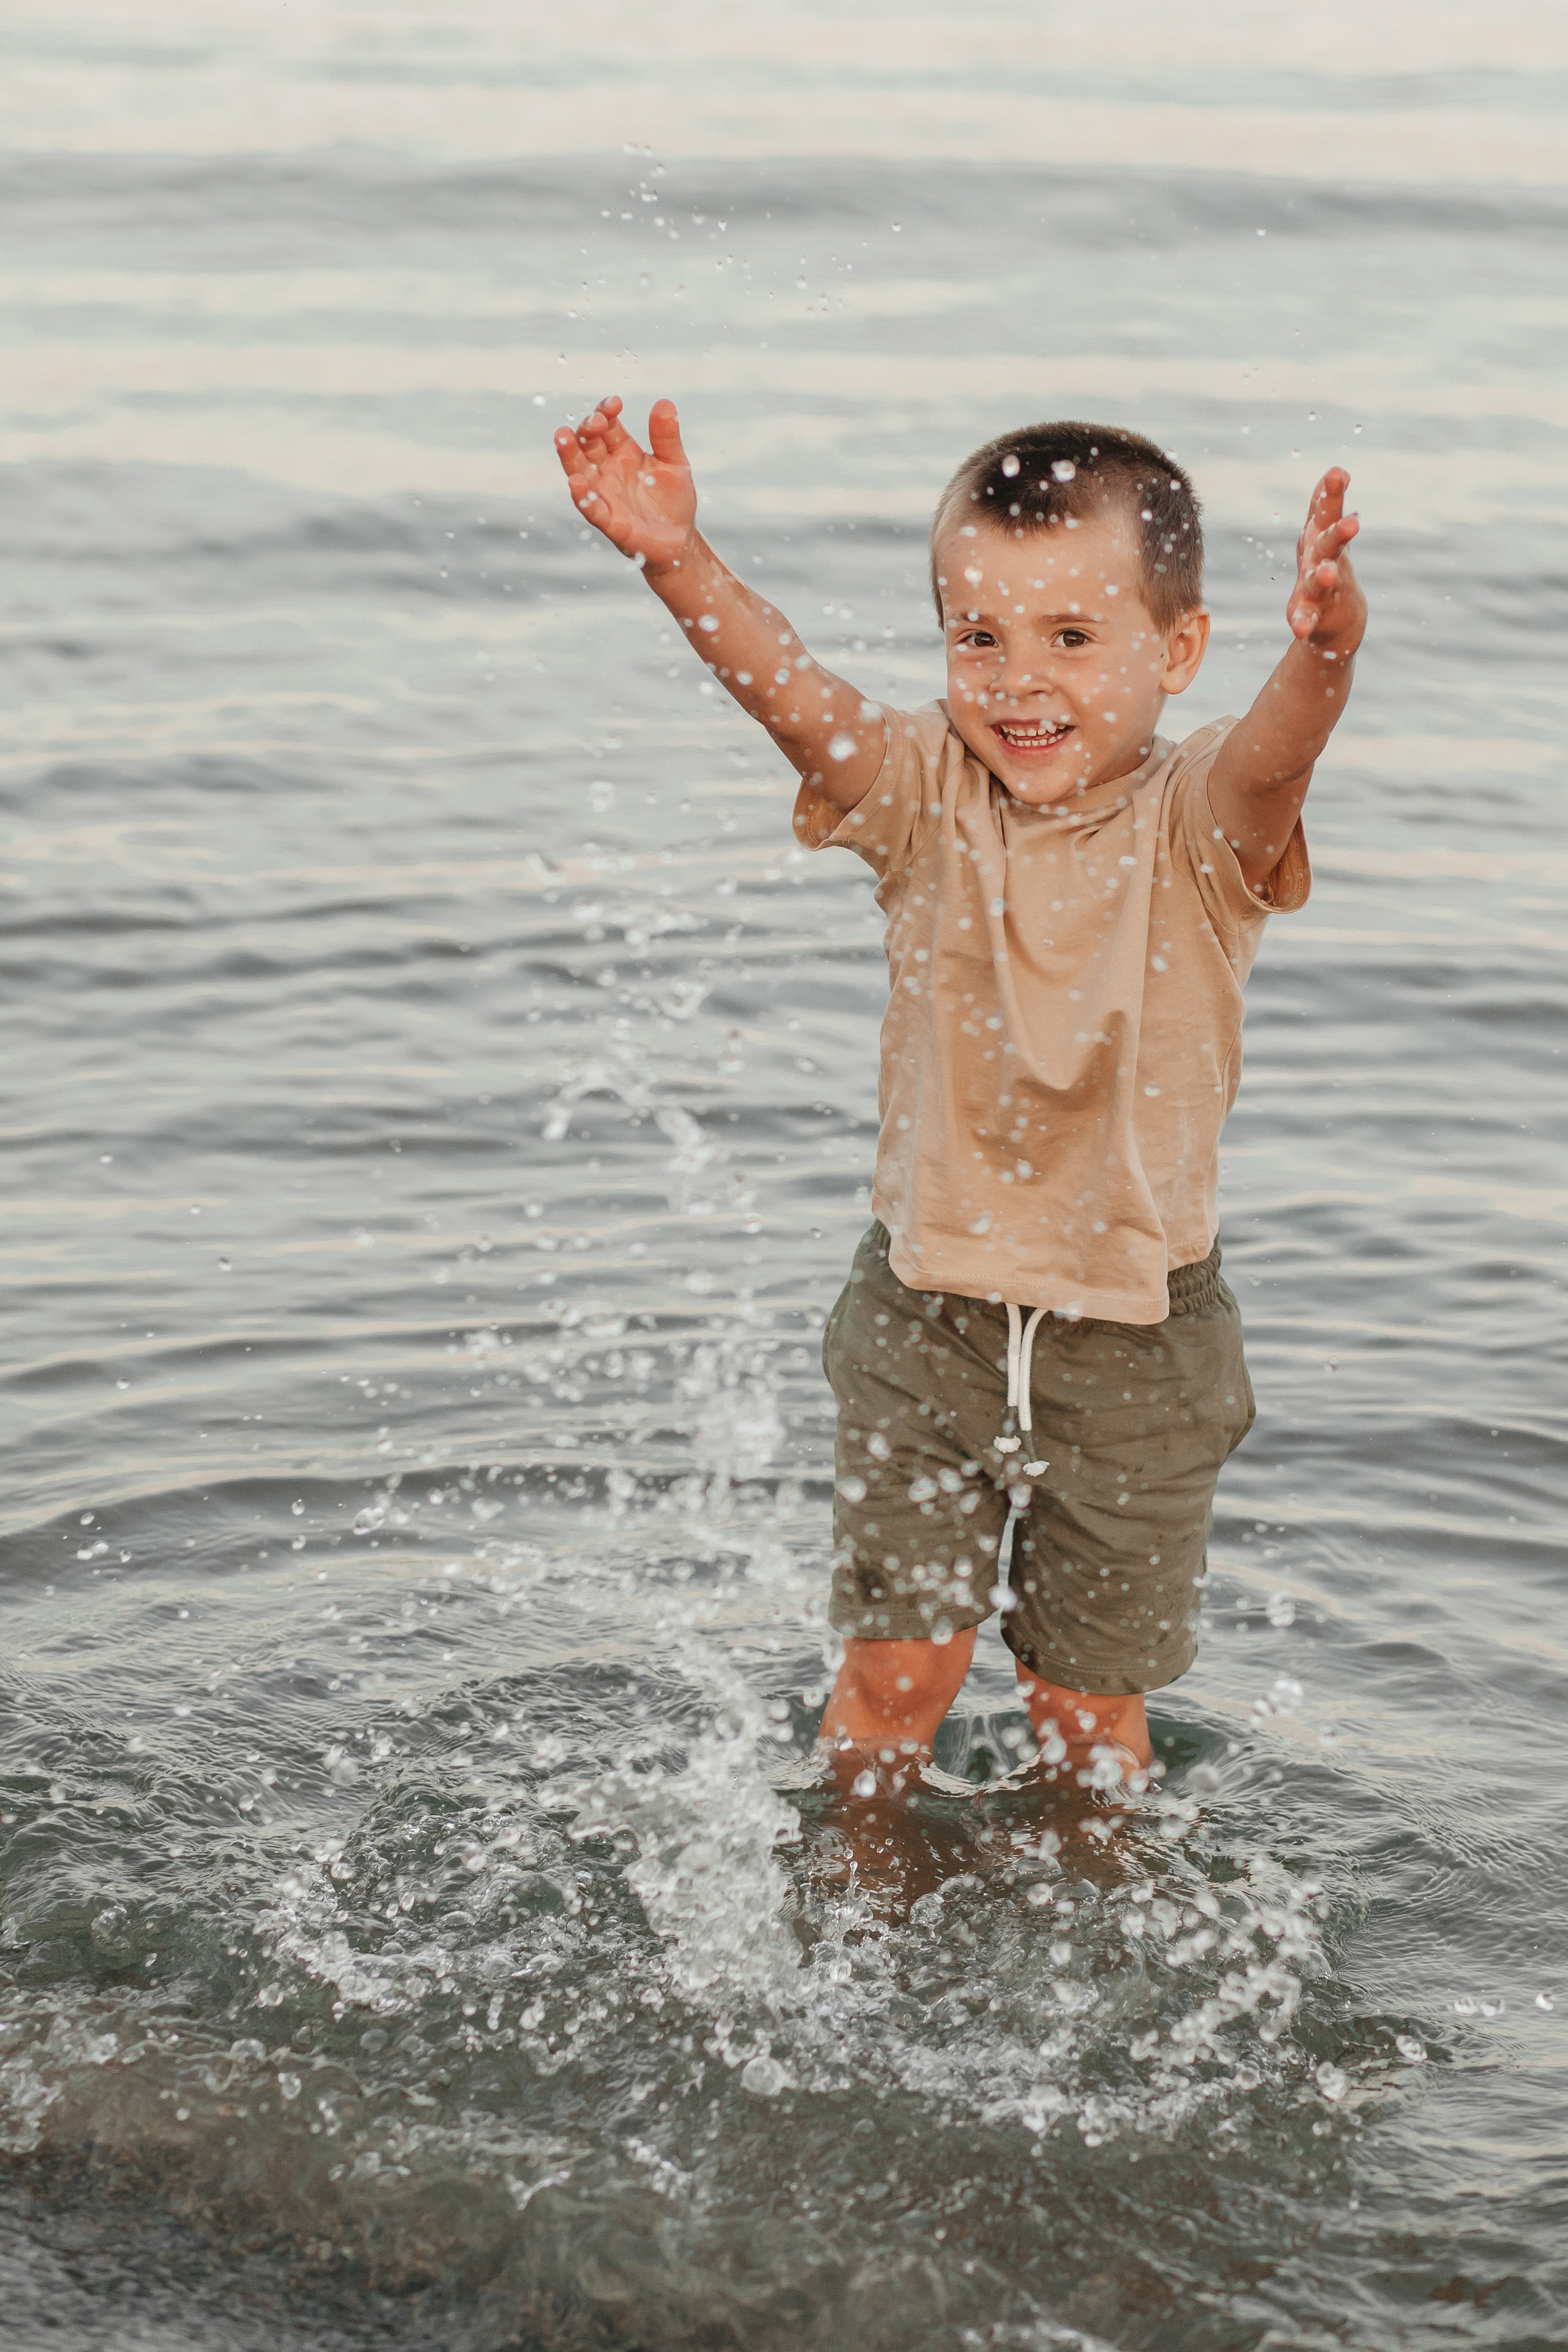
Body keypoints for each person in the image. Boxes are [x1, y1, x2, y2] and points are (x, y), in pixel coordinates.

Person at [555, 394, 1363, 1806]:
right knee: (892, 1681)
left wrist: (1324, 653)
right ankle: (851, 1912)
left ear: (1175, 652)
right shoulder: (924, 793)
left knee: (1083, 1711)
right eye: (974, 637)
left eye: (1068, 637)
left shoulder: (1199, 828)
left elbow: (1276, 758)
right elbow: (788, 693)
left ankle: (1094, 1953)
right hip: (922, 1315)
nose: (1012, 679)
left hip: (1134, 1340)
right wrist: (673, 556)